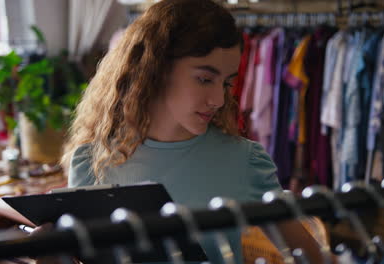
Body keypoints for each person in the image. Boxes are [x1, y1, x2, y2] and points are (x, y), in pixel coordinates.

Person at [56, 0, 333, 263]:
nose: (219, 100)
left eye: (226, 83)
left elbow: (313, 257)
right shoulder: (91, 163)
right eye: (204, 79)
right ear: (156, 69)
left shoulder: (244, 161)